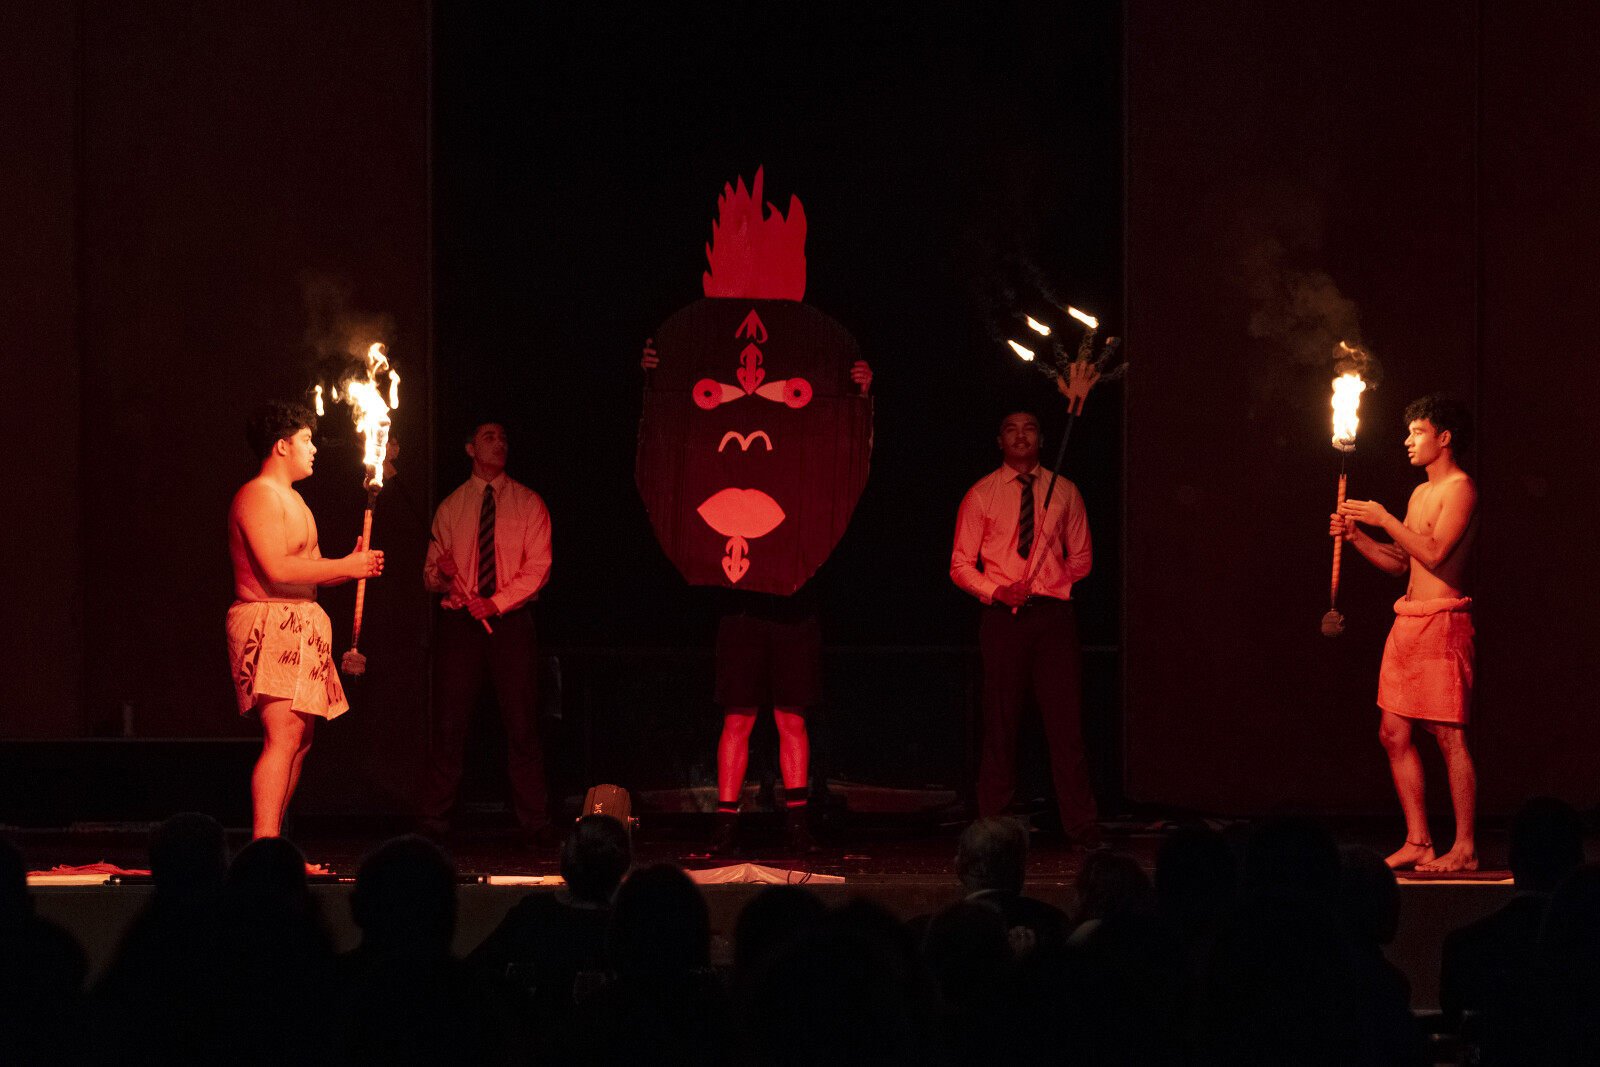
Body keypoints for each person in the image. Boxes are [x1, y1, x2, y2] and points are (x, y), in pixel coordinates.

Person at [641, 341, 872, 856]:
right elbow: (673, 441)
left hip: (795, 605)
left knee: (792, 718)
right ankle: (725, 826)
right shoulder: (724, 459)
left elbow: (843, 454)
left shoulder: (802, 457)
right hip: (741, 607)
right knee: (738, 718)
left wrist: (857, 397)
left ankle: (797, 825)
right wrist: (660, 382)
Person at [1335, 394, 1479, 872]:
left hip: (1442, 624)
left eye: (1418, 432)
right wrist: (1358, 536)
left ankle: (1464, 847)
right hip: (1408, 624)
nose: (1408, 441)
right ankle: (1419, 840)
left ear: (1444, 437)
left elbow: (1435, 553)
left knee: (1449, 738)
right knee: (1392, 733)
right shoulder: (1419, 494)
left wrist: (1384, 519)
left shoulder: (1460, 489)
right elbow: (1402, 562)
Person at [227, 401, 383, 840]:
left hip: (301, 621)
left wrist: (350, 565)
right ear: (282, 445)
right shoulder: (258, 495)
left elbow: (311, 572)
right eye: (307, 440)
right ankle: (264, 846)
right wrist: (347, 565)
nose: (314, 449)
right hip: (270, 619)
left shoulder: (294, 499)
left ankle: (274, 842)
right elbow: (277, 569)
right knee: (283, 735)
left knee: (300, 739)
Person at [950, 410, 1100, 849]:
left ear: (1042, 438)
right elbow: (960, 564)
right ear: (1000, 441)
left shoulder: (1065, 491)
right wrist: (998, 591)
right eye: (1011, 430)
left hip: (1053, 619)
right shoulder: (981, 494)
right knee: (1000, 724)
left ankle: (1082, 825)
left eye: (1029, 428)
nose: (1021, 435)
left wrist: (1050, 583)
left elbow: (1082, 558)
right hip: (1004, 619)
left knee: (1066, 726)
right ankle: (993, 828)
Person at [421, 421, 555, 848]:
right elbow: (430, 576)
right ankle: (435, 819)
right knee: (449, 723)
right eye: (489, 438)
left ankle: (535, 821)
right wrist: (443, 574)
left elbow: (539, 568)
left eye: (504, 437)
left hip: (511, 624)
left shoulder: (529, 503)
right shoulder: (451, 507)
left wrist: (496, 602)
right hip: (461, 625)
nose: (500, 443)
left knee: (522, 724)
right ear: (470, 448)